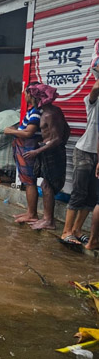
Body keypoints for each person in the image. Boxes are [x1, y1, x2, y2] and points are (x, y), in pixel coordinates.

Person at [22, 84, 70, 231]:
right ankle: (46, 219)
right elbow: (66, 130)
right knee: (45, 185)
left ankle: (49, 221)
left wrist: (37, 151)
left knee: (47, 186)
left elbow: (57, 139)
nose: (29, 98)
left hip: (51, 152)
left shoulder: (49, 114)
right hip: (49, 150)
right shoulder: (52, 111)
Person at [59, 80, 99, 243]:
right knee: (79, 193)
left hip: (97, 157)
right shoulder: (93, 102)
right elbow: (95, 87)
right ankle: (66, 231)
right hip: (84, 151)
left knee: (91, 196)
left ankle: (76, 229)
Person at [4, 84, 43, 224]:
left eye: (26, 93)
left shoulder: (36, 112)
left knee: (30, 182)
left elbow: (29, 132)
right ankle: (29, 212)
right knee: (28, 182)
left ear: (30, 95)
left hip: (27, 151)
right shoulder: (32, 111)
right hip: (24, 150)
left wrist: (11, 131)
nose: (24, 96)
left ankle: (32, 214)